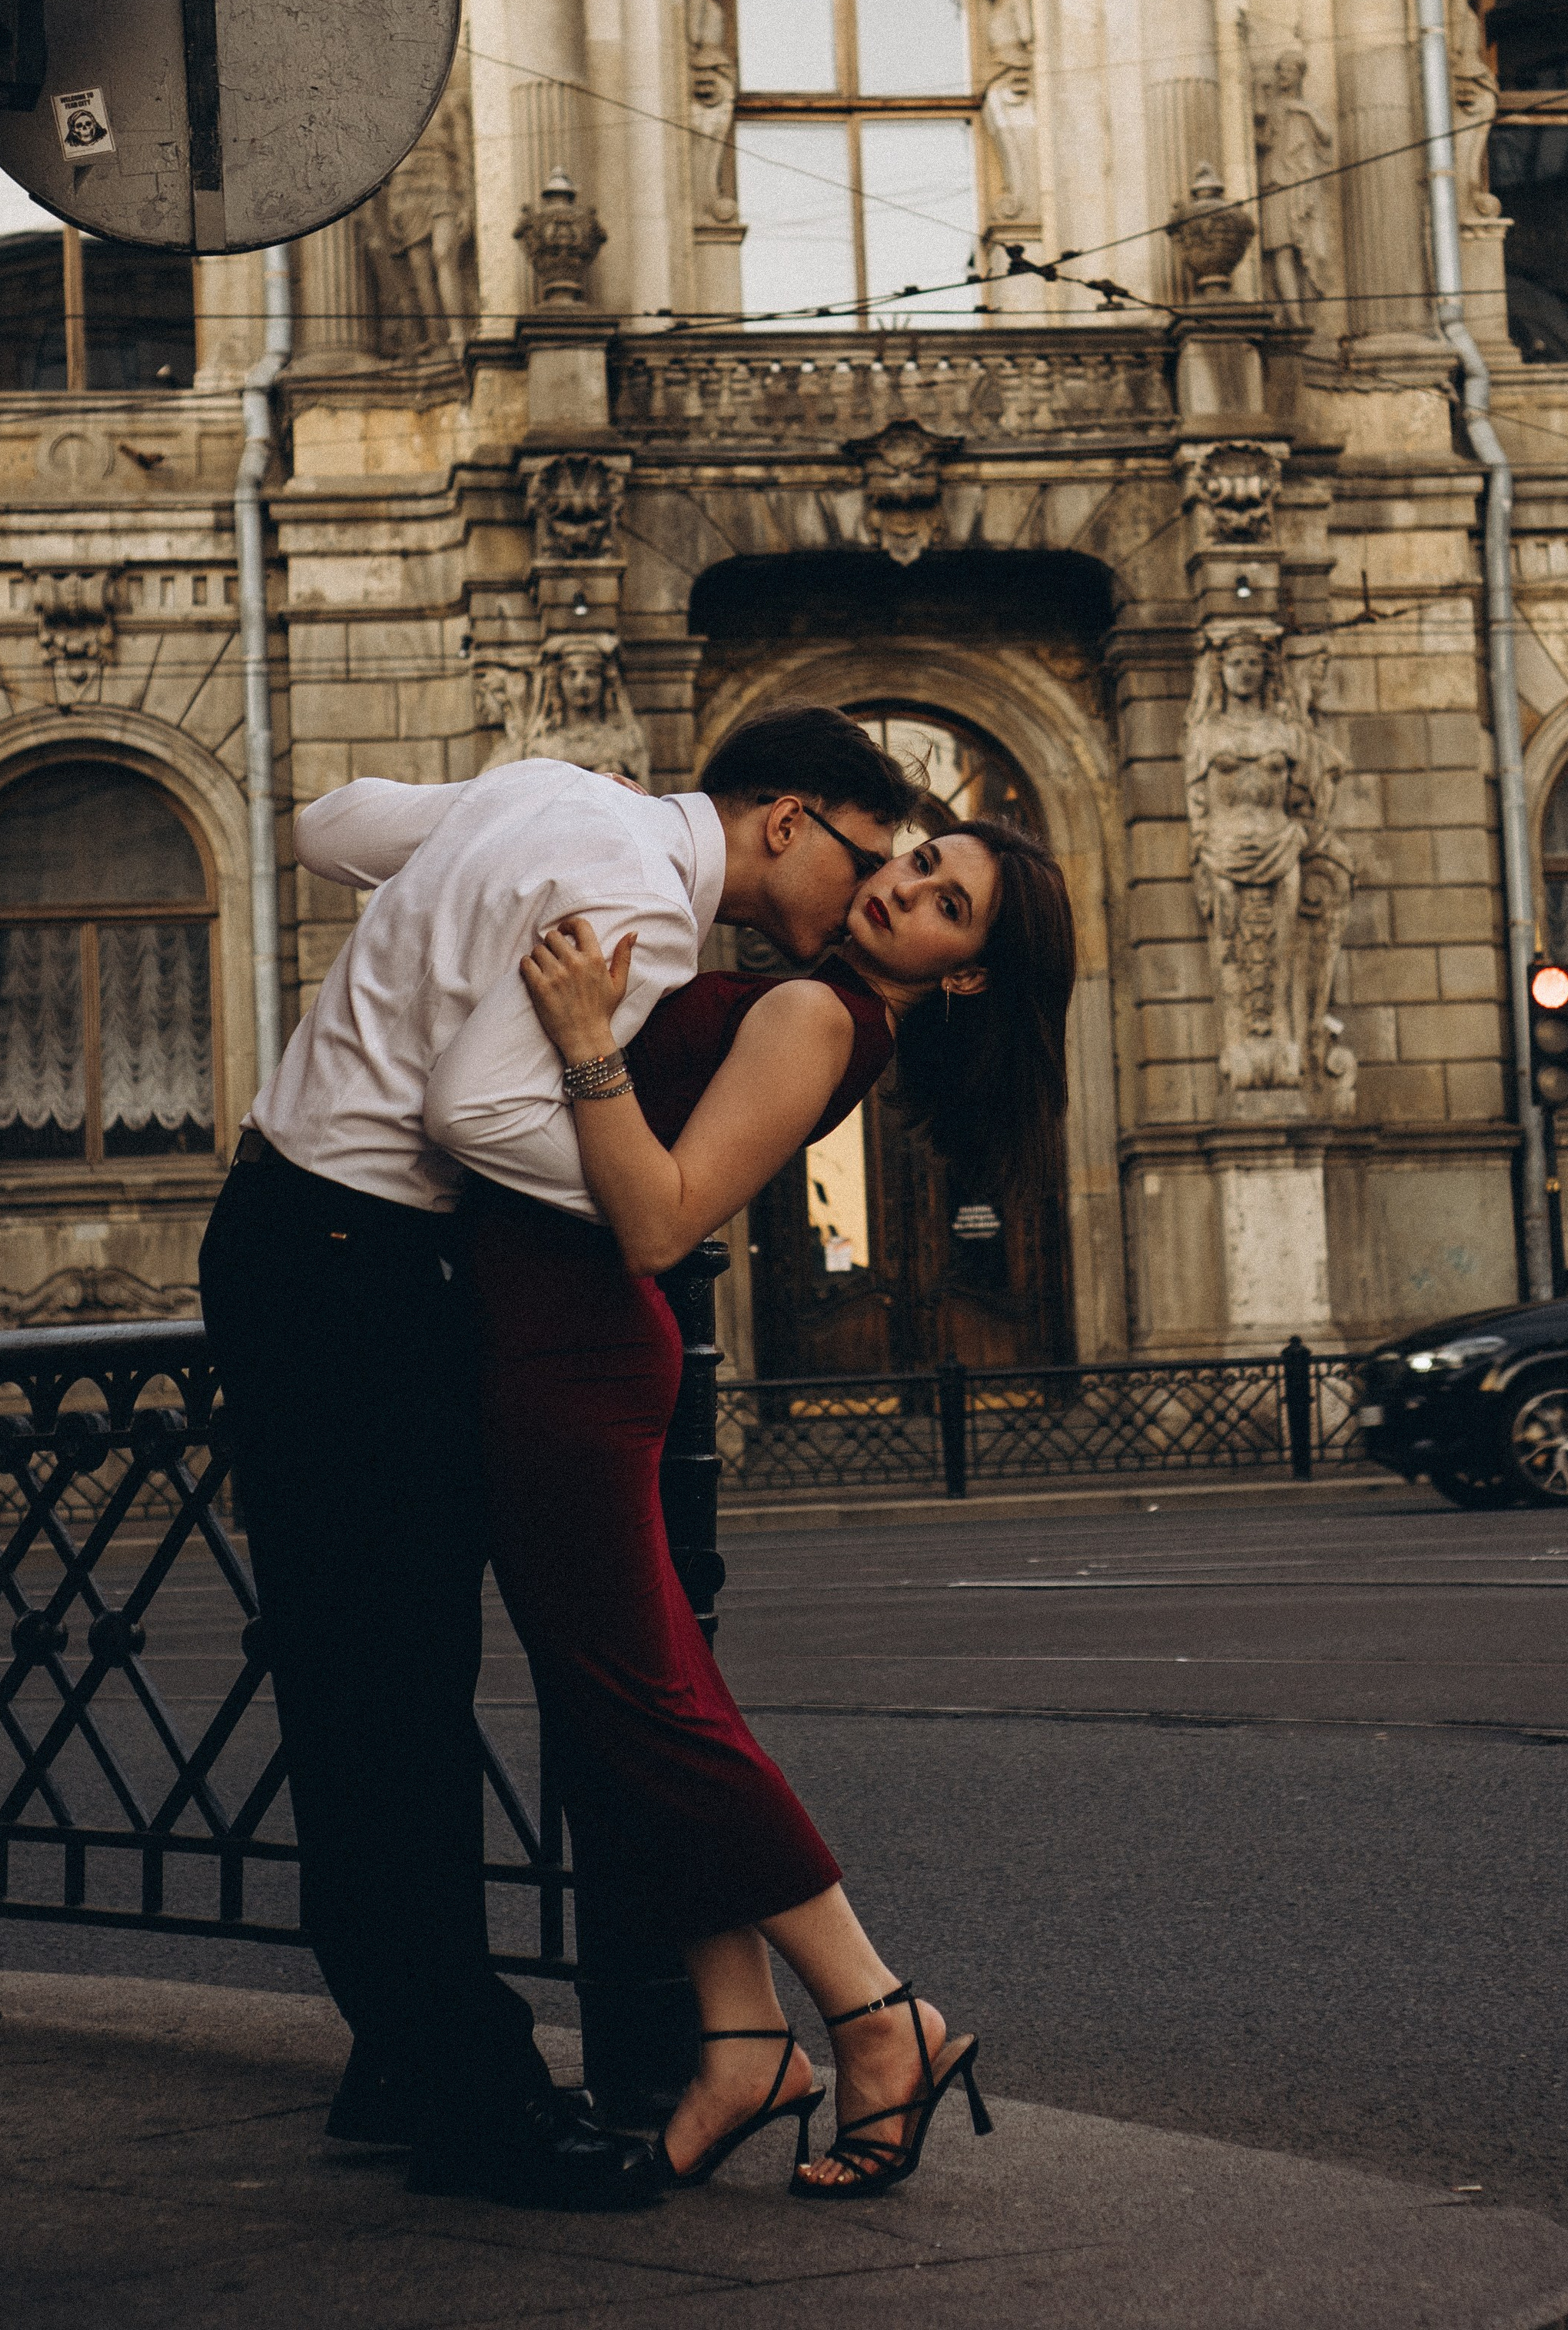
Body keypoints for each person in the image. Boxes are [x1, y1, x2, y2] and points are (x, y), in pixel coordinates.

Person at [196, 709, 917, 2211]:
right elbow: (475, 1111)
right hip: (360, 1257)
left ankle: (409, 2054)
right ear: (788, 819)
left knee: (356, 1676)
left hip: (279, 1234)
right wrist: (651, 1195)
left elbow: (327, 825)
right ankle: (473, 2101)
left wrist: (493, 823)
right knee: (395, 1689)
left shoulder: (553, 799)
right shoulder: (643, 895)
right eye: (862, 860)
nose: (862, 895)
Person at [435, 813, 1076, 2201]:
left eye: (948, 904)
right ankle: (742, 2038)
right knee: (638, 1710)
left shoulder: (818, 1015)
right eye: (920, 861)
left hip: (576, 1356)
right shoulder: (819, 997)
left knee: (649, 1713)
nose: (905, 888)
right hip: (556, 1345)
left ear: (967, 971)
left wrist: (585, 1039)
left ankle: (877, 2017)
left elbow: (665, 1222)